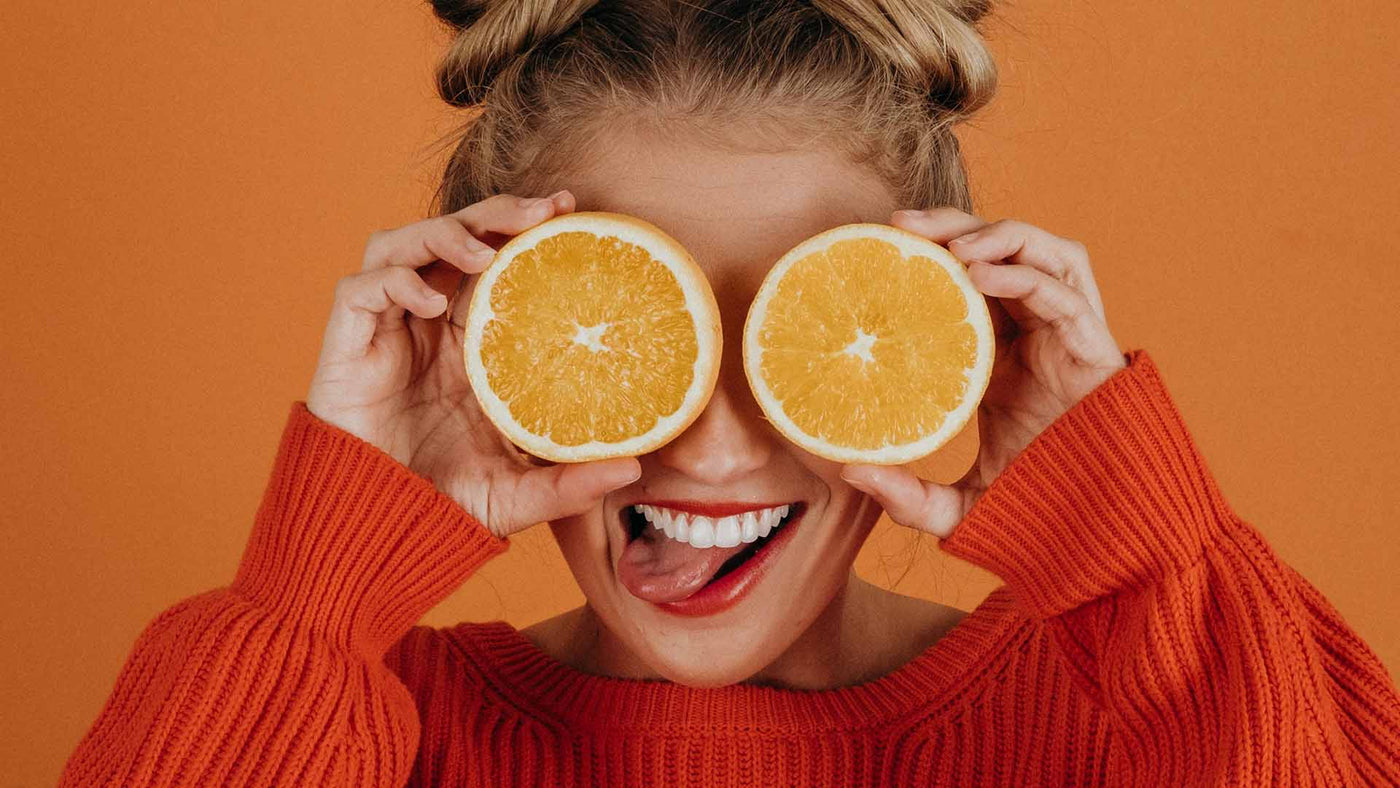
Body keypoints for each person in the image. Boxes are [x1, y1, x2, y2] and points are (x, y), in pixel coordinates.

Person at [60, 0, 1400, 785]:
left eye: (799, 331)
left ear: (951, 335)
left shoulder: (1132, 729)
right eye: (638, 325)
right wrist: (317, 585)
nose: (708, 447)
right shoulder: (372, 737)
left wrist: (1144, 552)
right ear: (483, 333)